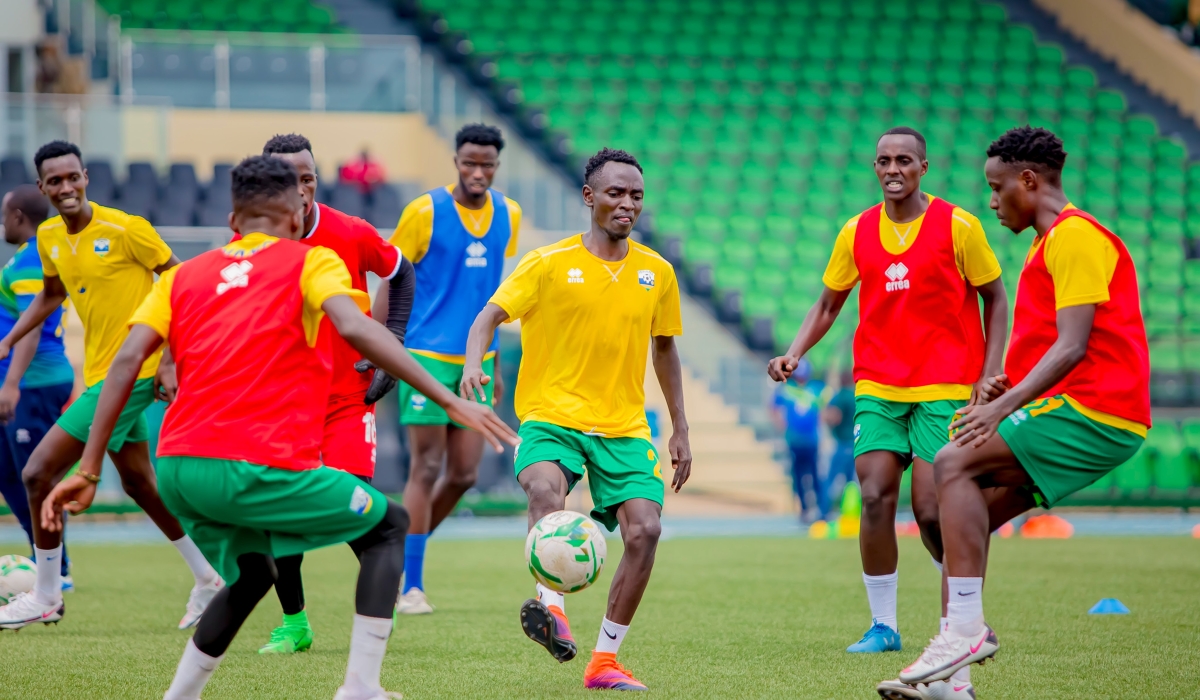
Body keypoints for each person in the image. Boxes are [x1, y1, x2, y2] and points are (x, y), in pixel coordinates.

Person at [39, 155, 517, 700]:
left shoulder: (186, 275)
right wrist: (447, 400)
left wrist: (89, 466)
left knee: (251, 575)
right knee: (389, 527)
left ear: (231, 221)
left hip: (178, 469)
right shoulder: (312, 263)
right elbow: (356, 327)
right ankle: (361, 687)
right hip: (250, 465)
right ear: (296, 216)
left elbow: (125, 366)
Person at [887, 127, 1148, 698]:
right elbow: (1059, 344)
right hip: (1079, 407)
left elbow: (1075, 347)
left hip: (1098, 410)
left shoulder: (1075, 237)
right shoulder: (1046, 244)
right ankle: (950, 680)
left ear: (1028, 181)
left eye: (996, 187)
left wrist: (1003, 405)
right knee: (965, 514)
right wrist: (1003, 381)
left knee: (953, 461)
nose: (991, 199)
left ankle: (966, 630)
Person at [767, 127, 1009, 660]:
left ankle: (962, 620)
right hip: (877, 384)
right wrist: (795, 351)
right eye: (883, 161)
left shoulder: (958, 226)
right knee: (875, 494)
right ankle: (883, 626)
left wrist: (989, 377)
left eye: (904, 160)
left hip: (946, 388)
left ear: (924, 167)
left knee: (928, 510)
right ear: (874, 168)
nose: (893, 168)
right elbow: (828, 305)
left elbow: (996, 297)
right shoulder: (856, 232)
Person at [462, 147, 692, 691]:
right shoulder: (546, 263)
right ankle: (552, 611)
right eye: (615, 193)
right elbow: (489, 316)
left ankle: (604, 661)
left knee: (647, 530)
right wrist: (474, 363)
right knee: (544, 489)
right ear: (589, 197)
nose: (627, 204)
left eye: (636, 195)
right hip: (551, 417)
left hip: (624, 426)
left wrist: (681, 427)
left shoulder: (657, 272)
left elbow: (665, 350)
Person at [0, 141, 222, 631]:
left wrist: (167, 358)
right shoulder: (50, 237)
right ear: (42, 188)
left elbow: (180, 283)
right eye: (54, 181)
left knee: (38, 474)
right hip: (103, 372)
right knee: (142, 484)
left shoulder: (127, 229)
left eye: (73, 177)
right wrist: (9, 339)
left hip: (136, 372)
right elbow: (52, 295)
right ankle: (207, 577)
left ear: (86, 178)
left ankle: (45, 594)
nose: (66, 187)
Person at [227, 134, 412, 655]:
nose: (302, 188)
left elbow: (401, 271)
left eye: (308, 177)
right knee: (278, 516)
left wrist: (390, 344)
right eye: (289, 179)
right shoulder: (252, 245)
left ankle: (380, 595)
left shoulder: (349, 232)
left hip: (347, 400)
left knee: (354, 504)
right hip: (281, 405)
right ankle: (295, 624)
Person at [377, 123, 521, 615]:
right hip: (423, 358)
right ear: (456, 160)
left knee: (463, 473)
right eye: (469, 162)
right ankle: (411, 585)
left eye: (487, 164)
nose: (477, 171)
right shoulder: (424, 211)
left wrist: (494, 362)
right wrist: (384, 349)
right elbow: (391, 279)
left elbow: (493, 300)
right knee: (428, 467)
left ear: (497, 166)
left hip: (475, 366)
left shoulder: (510, 215)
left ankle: (401, 550)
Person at [0, 186, 76, 592]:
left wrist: (11, 384)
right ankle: (43, 553)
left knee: (36, 473)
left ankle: (56, 568)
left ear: (16, 215)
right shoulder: (24, 256)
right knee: (7, 470)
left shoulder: (32, 259)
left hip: (34, 380)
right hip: (19, 380)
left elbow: (31, 331)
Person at [772, 359, 822, 522]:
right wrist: (781, 423)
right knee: (799, 476)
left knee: (814, 474)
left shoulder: (815, 389)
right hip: (794, 440)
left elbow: (824, 408)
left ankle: (821, 508)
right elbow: (773, 406)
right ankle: (804, 509)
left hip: (812, 440)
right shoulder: (788, 390)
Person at [821, 371, 857, 521]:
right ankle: (849, 512)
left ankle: (824, 512)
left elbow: (833, 416)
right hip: (855, 444)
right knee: (851, 483)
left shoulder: (839, 396)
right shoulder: (856, 396)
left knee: (830, 479)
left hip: (842, 444)